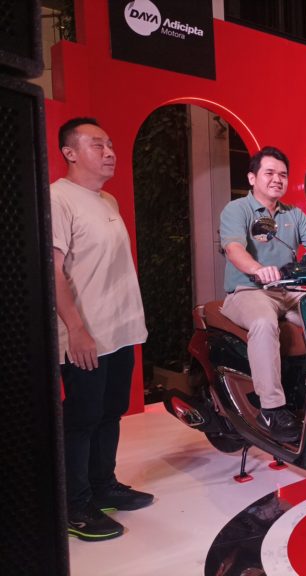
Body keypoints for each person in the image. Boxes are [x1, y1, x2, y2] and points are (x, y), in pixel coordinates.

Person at [51, 118, 153, 541]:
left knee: (110, 412)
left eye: (110, 144)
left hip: (119, 330)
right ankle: (74, 506)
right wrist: (75, 329)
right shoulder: (58, 198)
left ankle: (102, 486)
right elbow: (53, 270)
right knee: (82, 418)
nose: (109, 152)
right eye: (97, 145)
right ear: (70, 152)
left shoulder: (107, 199)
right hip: (84, 335)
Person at [219, 147, 306, 442]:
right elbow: (234, 249)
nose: (277, 179)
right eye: (269, 173)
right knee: (263, 323)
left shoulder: (293, 214)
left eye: (283, 174)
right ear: (252, 178)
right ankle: (271, 409)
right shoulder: (237, 210)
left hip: (288, 291)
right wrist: (258, 269)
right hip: (248, 290)